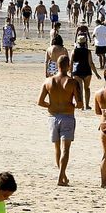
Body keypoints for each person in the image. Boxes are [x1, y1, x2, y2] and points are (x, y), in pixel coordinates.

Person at [39, 54, 82, 186]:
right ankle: (60, 177)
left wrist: (51, 105)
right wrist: (73, 105)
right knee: (66, 149)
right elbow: (80, 103)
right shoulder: (72, 82)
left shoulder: (48, 81)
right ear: (68, 66)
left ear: (57, 65)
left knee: (57, 149)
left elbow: (40, 102)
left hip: (53, 116)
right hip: (67, 116)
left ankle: (62, 176)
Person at [71, 36, 99, 110]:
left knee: (79, 89)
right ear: (85, 42)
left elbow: (71, 63)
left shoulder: (74, 51)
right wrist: (96, 73)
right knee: (87, 88)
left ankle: (81, 105)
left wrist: (70, 73)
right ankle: (87, 105)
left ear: (78, 43)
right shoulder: (88, 51)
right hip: (87, 71)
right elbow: (91, 63)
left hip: (77, 71)